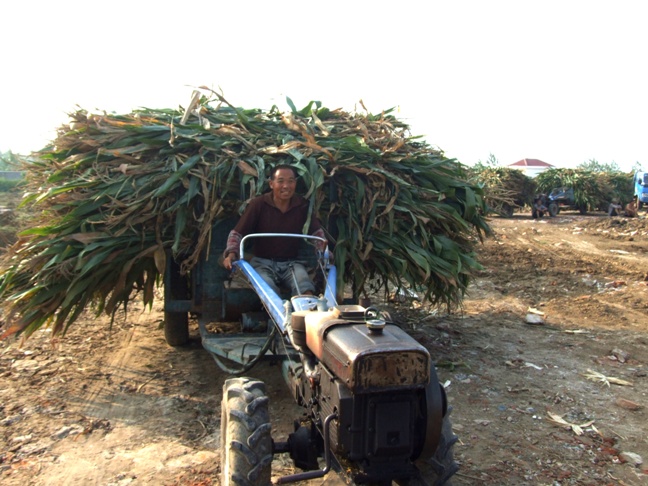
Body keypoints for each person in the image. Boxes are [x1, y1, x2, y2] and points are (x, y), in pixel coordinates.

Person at [222, 164, 327, 296]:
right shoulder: (258, 204)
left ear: (295, 183)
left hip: (292, 263)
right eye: (280, 181)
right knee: (268, 292)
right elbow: (237, 233)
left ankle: (305, 309)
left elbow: (317, 233)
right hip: (262, 263)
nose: (286, 186)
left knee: (305, 287)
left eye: (291, 181)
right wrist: (231, 253)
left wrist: (324, 251)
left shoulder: (302, 205)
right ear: (271, 184)